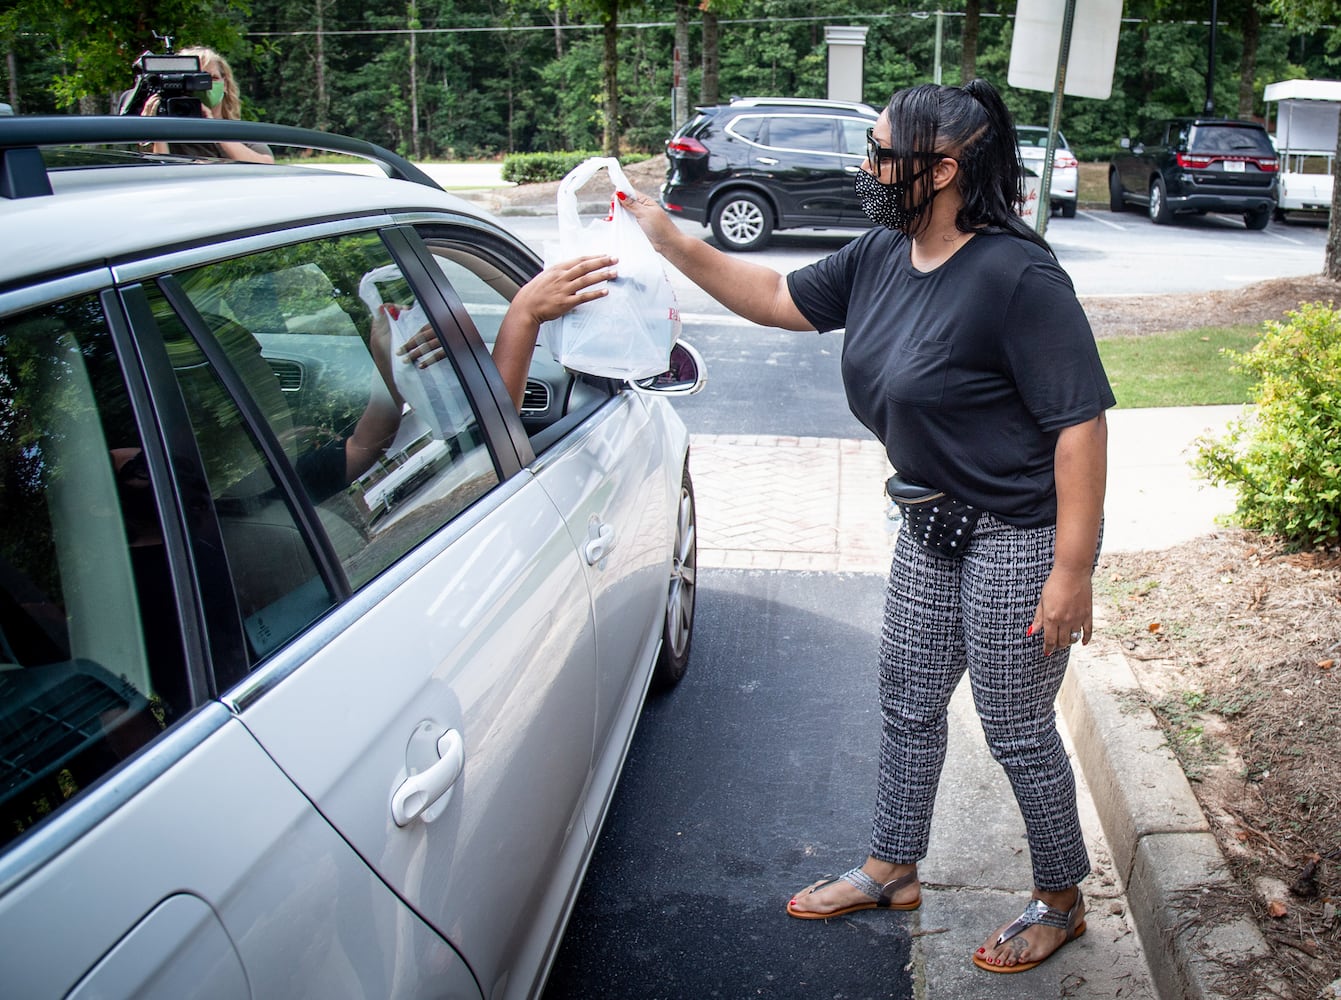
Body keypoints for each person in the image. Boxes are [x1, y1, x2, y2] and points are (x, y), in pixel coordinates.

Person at [615, 79, 1114, 975]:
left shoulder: (1017, 276)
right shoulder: (884, 251)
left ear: (945, 169)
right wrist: (669, 239)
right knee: (908, 704)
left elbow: (1078, 423)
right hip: (927, 524)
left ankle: (1059, 898)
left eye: (882, 152)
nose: (867, 166)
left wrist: (1070, 569)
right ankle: (891, 867)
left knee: (1014, 727)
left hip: (1017, 532)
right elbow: (773, 296)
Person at [137, 47, 274, 164]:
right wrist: (156, 128)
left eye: (212, 78)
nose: (203, 87)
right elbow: (161, 169)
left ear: (225, 84)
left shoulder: (238, 131)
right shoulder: (171, 132)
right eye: (194, 80)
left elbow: (266, 164)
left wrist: (214, 129)